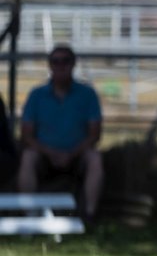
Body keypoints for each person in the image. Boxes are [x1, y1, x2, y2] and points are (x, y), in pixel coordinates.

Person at [18, 45, 104, 224]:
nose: (60, 66)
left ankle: (88, 215)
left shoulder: (87, 94)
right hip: (45, 156)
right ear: (50, 65)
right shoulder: (37, 95)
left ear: (73, 64)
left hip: (77, 155)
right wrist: (50, 153)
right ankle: (29, 215)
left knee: (94, 158)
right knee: (28, 157)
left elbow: (95, 134)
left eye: (65, 61)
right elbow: (26, 135)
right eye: (55, 61)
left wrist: (71, 154)